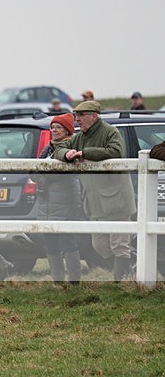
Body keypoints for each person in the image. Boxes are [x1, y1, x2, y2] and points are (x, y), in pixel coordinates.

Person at [52, 100, 136, 281]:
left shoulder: (110, 132)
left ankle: (122, 282)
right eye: (76, 116)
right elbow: (60, 148)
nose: (78, 120)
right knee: (100, 246)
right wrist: (67, 155)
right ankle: (127, 272)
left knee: (119, 245)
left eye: (81, 116)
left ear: (94, 116)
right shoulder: (79, 137)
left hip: (116, 200)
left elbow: (116, 151)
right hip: (94, 202)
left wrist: (85, 153)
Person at [34, 113, 81, 285]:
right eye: (52, 127)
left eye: (58, 127)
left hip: (65, 203)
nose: (54, 130)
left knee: (67, 241)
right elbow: (34, 172)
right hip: (45, 204)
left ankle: (74, 282)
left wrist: (43, 178)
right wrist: (41, 177)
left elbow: (63, 173)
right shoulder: (47, 149)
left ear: (67, 130)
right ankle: (58, 282)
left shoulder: (71, 148)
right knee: (50, 244)